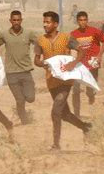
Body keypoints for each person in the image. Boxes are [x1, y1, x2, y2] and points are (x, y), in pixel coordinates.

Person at [34, 11, 91, 150]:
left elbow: (82, 52)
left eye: (48, 22)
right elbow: (36, 60)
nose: (45, 25)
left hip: (66, 80)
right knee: (64, 114)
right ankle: (86, 127)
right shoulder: (40, 40)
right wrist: (42, 64)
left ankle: (56, 145)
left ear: (55, 24)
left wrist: (73, 63)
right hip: (51, 81)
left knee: (56, 112)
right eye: (44, 22)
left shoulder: (66, 38)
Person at [0, 10, 36, 124]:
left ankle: (23, 107)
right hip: (11, 73)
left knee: (30, 98)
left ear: (21, 20)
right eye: (14, 20)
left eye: (18, 20)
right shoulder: (4, 34)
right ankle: (25, 122)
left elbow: (40, 44)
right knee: (20, 100)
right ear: (10, 21)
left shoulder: (28, 33)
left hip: (26, 71)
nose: (16, 22)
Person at [69, 11, 104, 115]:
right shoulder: (73, 34)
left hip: (92, 64)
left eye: (85, 20)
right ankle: (76, 114)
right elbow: (68, 47)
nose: (83, 22)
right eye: (80, 20)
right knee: (76, 89)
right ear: (77, 21)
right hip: (79, 65)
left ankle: (91, 95)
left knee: (90, 89)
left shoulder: (94, 31)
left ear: (87, 20)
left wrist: (99, 55)